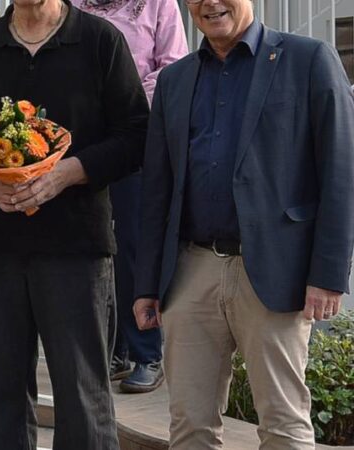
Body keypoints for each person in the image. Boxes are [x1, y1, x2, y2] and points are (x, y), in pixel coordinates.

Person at [134, 0, 354, 448]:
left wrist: (328, 275)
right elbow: (157, 189)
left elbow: (341, 170)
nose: (210, 3)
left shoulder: (308, 60)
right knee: (189, 425)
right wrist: (147, 284)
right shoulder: (174, 80)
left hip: (276, 270)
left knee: (283, 424)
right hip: (191, 270)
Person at [0, 0, 149, 448]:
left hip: (75, 247)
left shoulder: (99, 41)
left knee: (82, 394)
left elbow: (135, 134)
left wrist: (70, 172)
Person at [75, 0, 188, 393]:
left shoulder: (158, 4)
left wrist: (121, 100)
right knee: (92, 244)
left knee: (135, 245)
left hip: (139, 137)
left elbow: (172, 68)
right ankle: (114, 349)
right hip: (85, 141)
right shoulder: (71, 6)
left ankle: (146, 352)